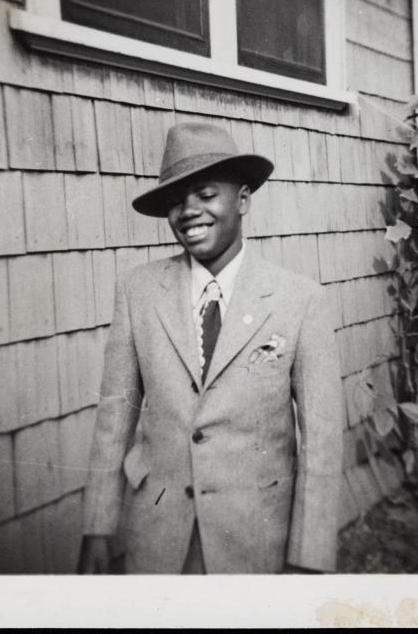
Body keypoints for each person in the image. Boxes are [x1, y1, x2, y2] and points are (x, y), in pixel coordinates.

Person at [78, 121, 343, 574]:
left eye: (205, 194)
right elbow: (113, 416)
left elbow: (322, 442)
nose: (189, 211)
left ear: (242, 200)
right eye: (177, 201)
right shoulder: (138, 292)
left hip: (256, 536)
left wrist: (309, 557)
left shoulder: (299, 301)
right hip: (158, 534)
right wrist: (97, 527)